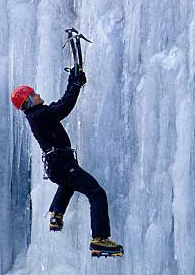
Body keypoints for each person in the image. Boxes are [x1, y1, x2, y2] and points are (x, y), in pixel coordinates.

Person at [11, 69, 123, 256]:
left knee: (67, 184)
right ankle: (100, 239)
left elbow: (60, 104)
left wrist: (73, 80)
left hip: (58, 166)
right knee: (96, 193)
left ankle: (56, 214)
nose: (38, 95)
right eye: (34, 94)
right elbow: (64, 107)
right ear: (28, 101)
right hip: (62, 164)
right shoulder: (39, 115)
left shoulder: (38, 114)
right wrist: (76, 85)